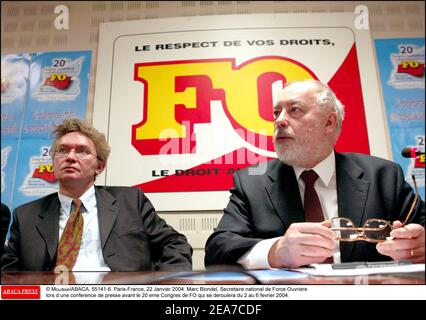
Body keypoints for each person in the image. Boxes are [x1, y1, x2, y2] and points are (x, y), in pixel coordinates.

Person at [205, 80, 425, 269]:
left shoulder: (384, 176)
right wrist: (275, 251)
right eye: (276, 112)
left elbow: (421, 228)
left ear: (329, 122)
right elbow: (217, 249)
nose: (279, 120)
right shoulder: (252, 182)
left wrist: (420, 244)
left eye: (294, 110)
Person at [1, 118, 192, 272]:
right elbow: (9, 272)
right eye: (63, 150)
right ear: (53, 162)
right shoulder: (25, 214)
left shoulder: (131, 201)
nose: (70, 157)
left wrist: (165, 287)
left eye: (82, 151)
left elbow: (175, 243)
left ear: (99, 167)